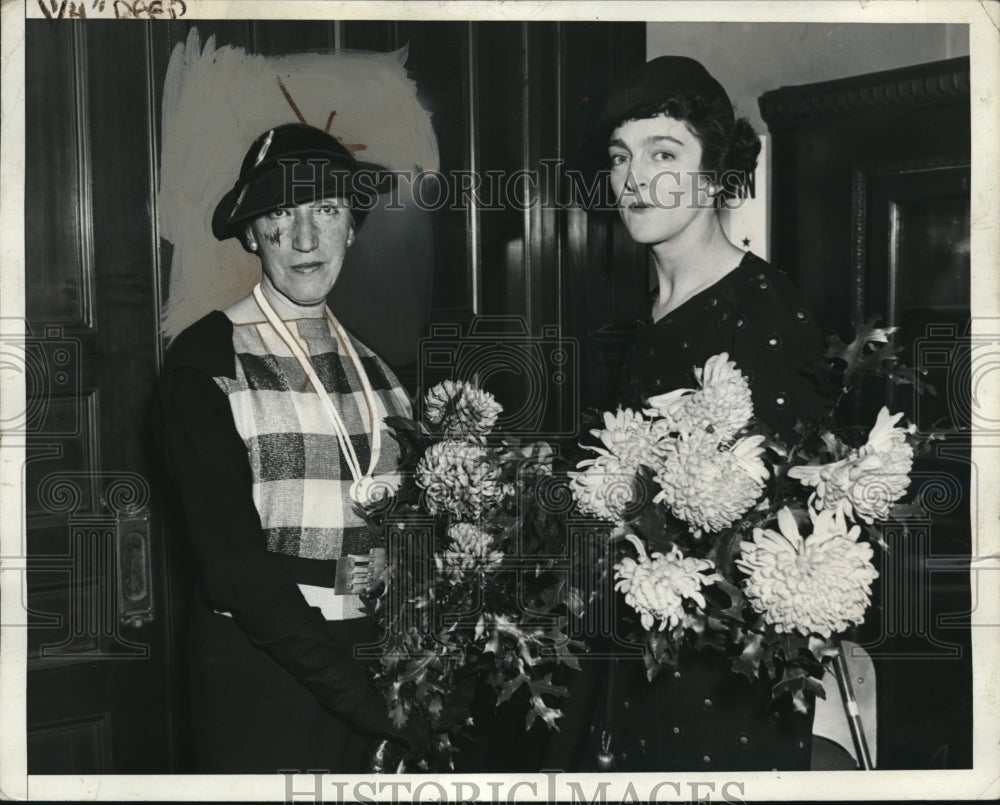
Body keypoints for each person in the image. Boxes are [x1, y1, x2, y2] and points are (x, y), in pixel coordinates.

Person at [550, 56, 831, 772]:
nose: (636, 178)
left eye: (663, 153)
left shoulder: (765, 309)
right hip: (630, 664)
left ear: (714, 171)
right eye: (622, 157)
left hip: (721, 689)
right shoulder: (633, 322)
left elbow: (787, 544)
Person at [159, 123, 415, 773]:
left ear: (353, 226)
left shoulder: (383, 374)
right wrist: (359, 699)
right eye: (281, 212)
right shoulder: (205, 360)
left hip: (372, 665)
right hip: (263, 677)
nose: (306, 239)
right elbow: (236, 570)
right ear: (251, 233)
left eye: (326, 210)